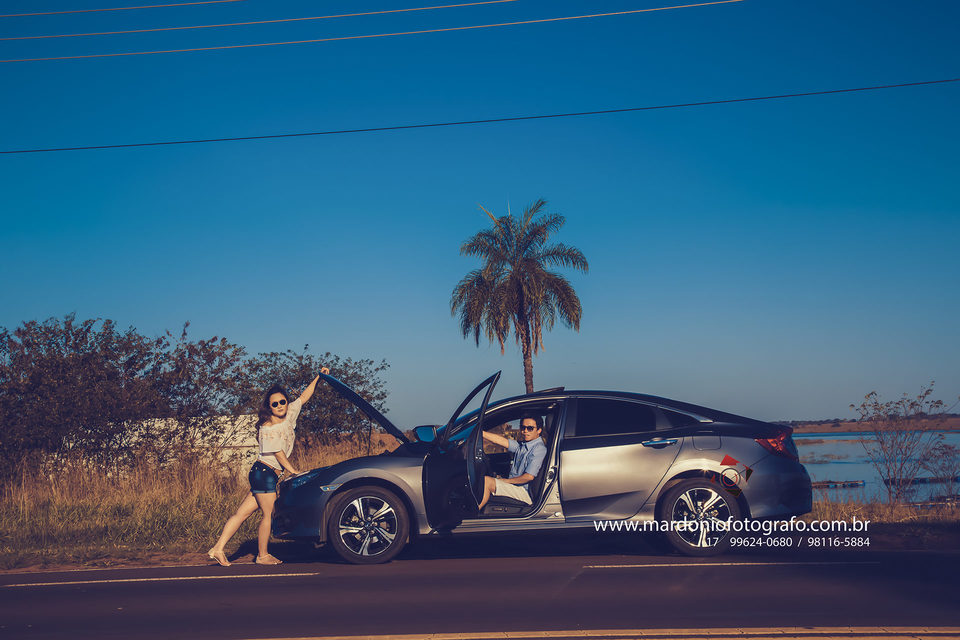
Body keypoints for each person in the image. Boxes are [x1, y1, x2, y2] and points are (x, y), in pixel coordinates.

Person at [207, 367, 329, 566]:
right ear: (269, 407)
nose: (280, 405)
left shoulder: (289, 414)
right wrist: (293, 470)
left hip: (262, 474)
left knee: (242, 514)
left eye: (283, 401)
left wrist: (319, 377)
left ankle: (218, 548)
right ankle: (262, 555)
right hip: (265, 473)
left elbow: (305, 396)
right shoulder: (267, 427)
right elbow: (278, 453)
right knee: (268, 515)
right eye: (275, 404)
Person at [478, 415, 547, 509]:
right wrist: (480, 433)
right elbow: (501, 441)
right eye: (523, 427)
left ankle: (473, 513)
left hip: (524, 493)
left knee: (486, 481)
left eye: (530, 428)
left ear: (539, 430)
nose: (525, 431)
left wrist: (505, 481)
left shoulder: (538, 449)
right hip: (516, 487)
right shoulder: (522, 446)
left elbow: (529, 477)